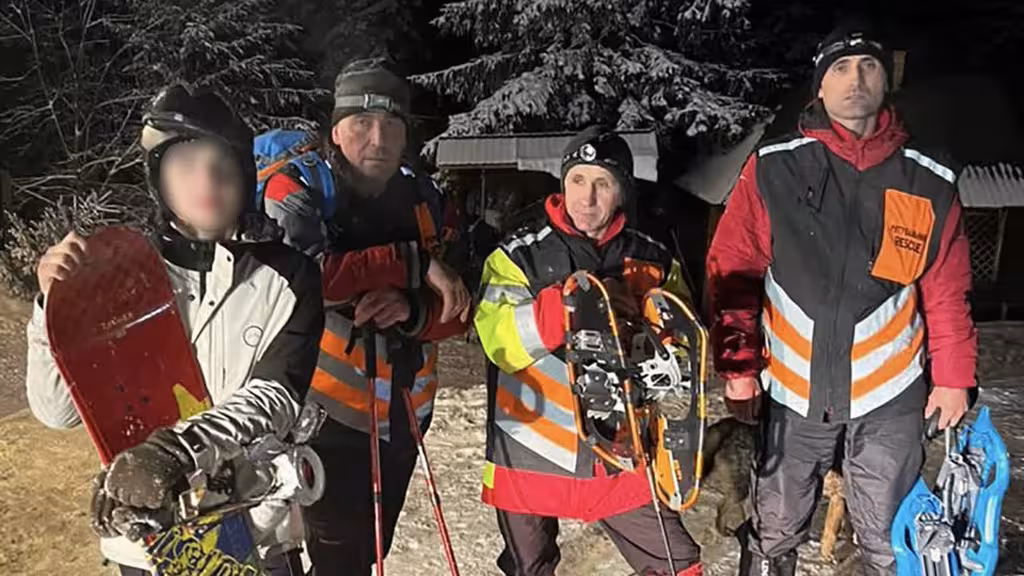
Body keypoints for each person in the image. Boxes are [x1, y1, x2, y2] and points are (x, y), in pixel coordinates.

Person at [705, 23, 977, 576]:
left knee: (889, 533)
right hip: (792, 386)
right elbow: (734, 269)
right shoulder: (775, 165)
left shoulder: (927, 177)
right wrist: (739, 367)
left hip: (891, 389)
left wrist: (954, 375)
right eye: (841, 68)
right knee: (775, 525)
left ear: (886, 80)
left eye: (868, 66)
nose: (856, 79)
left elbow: (946, 286)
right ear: (820, 87)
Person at [25, 84, 324, 575]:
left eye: (221, 162)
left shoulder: (289, 278)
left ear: (244, 175)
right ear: (158, 177)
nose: (206, 178)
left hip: (254, 533)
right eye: (185, 163)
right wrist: (52, 308)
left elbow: (274, 398)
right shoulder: (119, 279)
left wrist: (179, 450)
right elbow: (57, 411)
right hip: (150, 538)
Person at [260, 60, 471, 575]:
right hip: (322, 415)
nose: (377, 139)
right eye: (361, 123)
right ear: (335, 131)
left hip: (404, 412)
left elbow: (465, 303)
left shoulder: (428, 199)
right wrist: (412, 263)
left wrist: (413, 310)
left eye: (392, 125)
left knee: (371, 549)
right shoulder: (297, 187)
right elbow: (305, 280)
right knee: (332, 555)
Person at [474, 126, 703, 576]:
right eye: (577, 180)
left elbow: (681, 339)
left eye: (603, 182)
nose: (588, 197)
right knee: (529, 568)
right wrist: (567, 307)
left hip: (621, 450)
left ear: (622, 191)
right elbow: (498, 339)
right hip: (531, 448)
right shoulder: (518, 255)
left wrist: (655, 337)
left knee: (678, 564)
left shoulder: (653, 257)